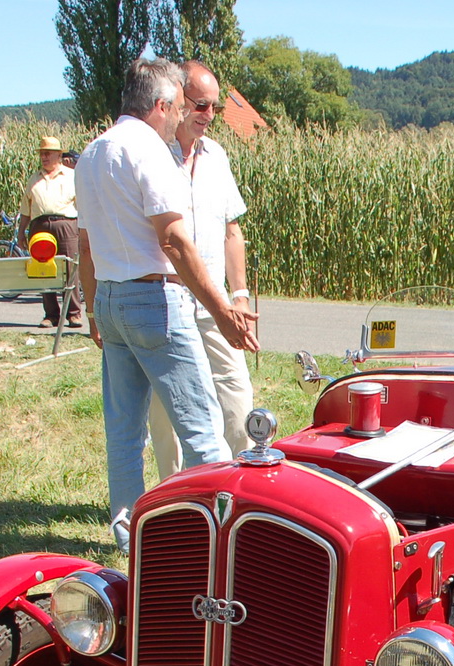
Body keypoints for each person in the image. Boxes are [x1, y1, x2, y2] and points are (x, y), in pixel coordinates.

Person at [75, 57, 258, 551]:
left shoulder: (91, 154)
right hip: (155, 298)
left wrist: (93, 311)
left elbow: (86, 246)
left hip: (110, 298)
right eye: (179, 106)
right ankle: (215, 540)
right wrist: (222, 309)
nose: (182, 116)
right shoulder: (149, 151)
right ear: (160, 105)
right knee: (203, 431)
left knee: (125, 433)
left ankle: (129, 536)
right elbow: (174, 240)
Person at [147, 60, 257, 476]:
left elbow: (232, 231)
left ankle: (243, 484)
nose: (208, 115)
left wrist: (240, 296)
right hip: (166, 301)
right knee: (166, 409)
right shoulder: (152, 155)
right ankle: (175, 493)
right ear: (178, 99)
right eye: (200, 105)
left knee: (237, 396)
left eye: (214, 107)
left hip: (216, 304)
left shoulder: (217, 157)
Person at [17, 135, 81, 328]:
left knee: (70, 269)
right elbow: (26, 209)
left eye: (48, 153)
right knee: (44, 269)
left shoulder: (72, 176)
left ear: (58, 155)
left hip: (66, 225)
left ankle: (73, 314)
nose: (44, 157)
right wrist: (21, 232)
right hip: (39, 226)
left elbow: (83, 205)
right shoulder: (34, 179)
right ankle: (51, 315)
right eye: (42, 154)